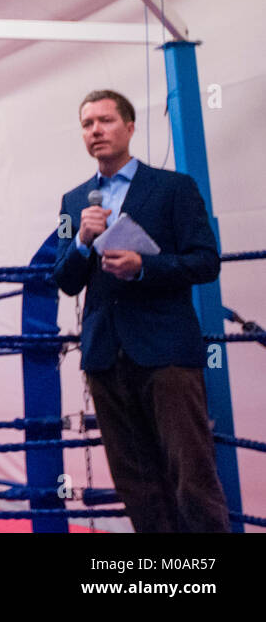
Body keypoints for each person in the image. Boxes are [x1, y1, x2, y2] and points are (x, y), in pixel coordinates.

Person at [53, 89, 229, 532]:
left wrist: (143, 267)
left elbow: (206, 260)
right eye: (87, 124)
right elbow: (65, 277)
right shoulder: (74, 202)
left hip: (167, 352)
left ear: (130, 127)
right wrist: (80, 243)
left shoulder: (173, 188)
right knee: (136, 483)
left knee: (192, 474)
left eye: (106, 121)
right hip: (105, 356)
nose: (96, 130)